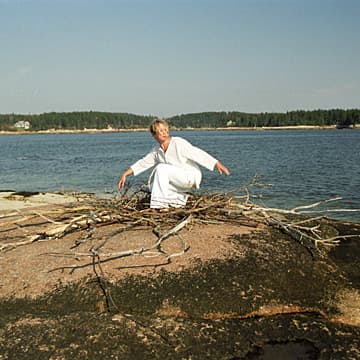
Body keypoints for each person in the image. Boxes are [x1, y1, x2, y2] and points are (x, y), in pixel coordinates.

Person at [118, 119, 230, 209]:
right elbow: (143, 163)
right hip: (177, 181)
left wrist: (216, 163)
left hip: (189, 176)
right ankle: (180, 201)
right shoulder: (156, 150)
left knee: (161, 168)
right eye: (161, 130)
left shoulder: (178, 143)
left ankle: (158, 206)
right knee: (153, 187)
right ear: (154, 134)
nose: (164, 132)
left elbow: (197, 153)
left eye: (166, 130)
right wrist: (125, 174)